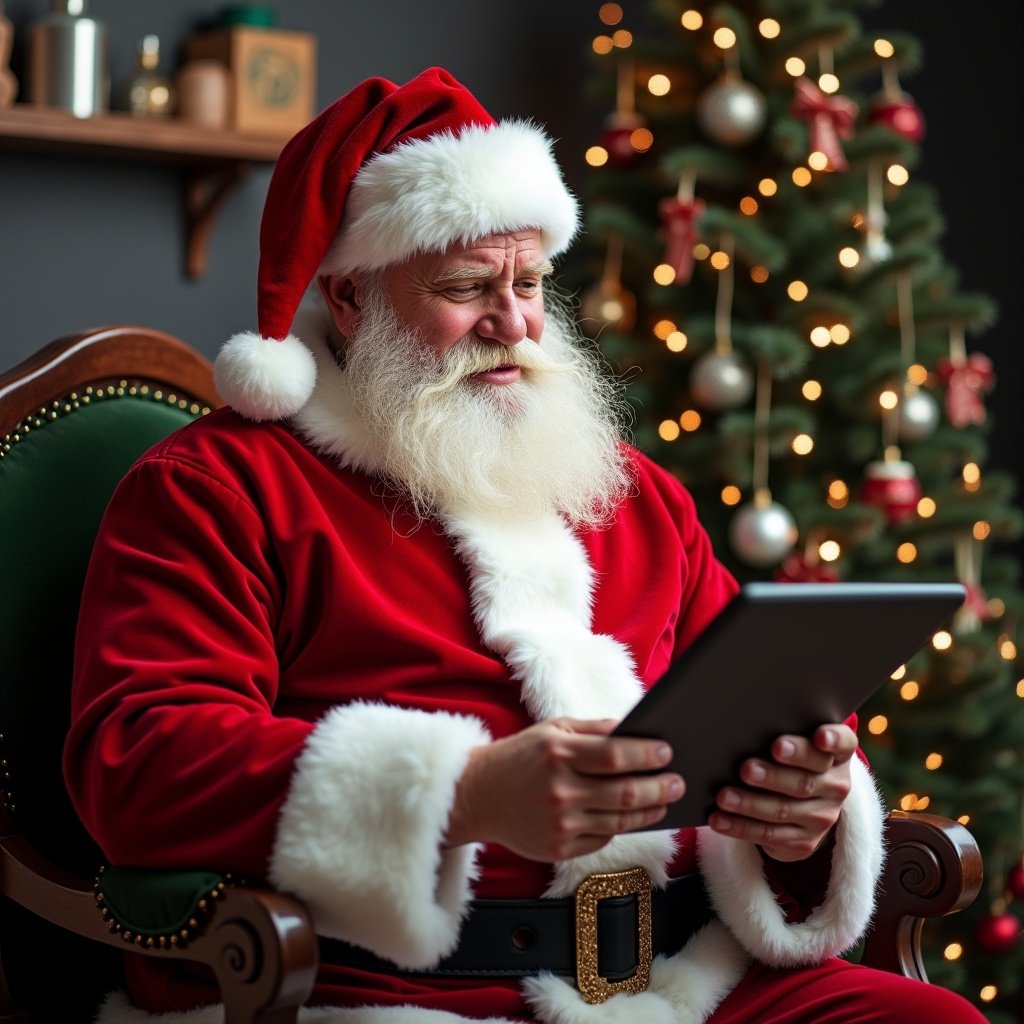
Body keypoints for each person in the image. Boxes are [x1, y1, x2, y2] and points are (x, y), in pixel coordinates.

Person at [64, 67, 984, 1024]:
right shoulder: (216, 490)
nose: (513, 323)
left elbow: (749, 712)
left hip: (682, 974)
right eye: (466, 288)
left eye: (531, 282)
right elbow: (140, 762)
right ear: (347, 298)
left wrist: (800, 813)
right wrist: (461, 792)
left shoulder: (634, 493)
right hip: (387, 988)